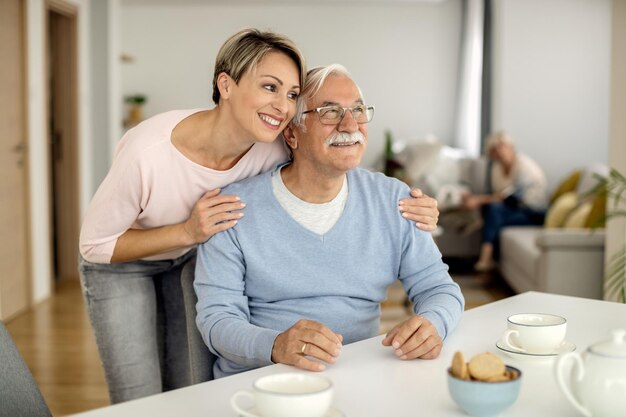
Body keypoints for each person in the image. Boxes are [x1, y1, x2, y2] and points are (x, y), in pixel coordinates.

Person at [78, 29, 440, 403]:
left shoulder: (269, 146)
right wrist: (188, 231)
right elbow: (95, 244)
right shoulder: (148, 152)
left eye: (292, 95)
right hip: (121, 256)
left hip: (193, 252)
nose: (282, 106)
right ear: (226, 84)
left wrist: (419, 209)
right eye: (270, 87)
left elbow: (323, 165)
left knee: (181, 386)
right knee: (138, 394)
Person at [194, 64, 464, 379]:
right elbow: (216, 321)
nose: (350, 124)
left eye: (359, 110)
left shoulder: (394, 200)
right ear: (292, 133)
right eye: (329, 112)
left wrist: (435, 323)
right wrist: (276, 345)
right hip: (260, 383)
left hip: (357, 379)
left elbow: (439, 288)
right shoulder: (232, 207)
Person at [461, 131, 548, 271]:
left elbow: (512, 197)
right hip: (514, 210)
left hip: (533, 213)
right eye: (496, 148)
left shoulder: (525, 166)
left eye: (503, 146)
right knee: (491, 209)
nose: (500, 151)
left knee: (493, 209)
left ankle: (486, 257)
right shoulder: (496, 167)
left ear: (511, 147)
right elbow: (497, 194)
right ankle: (487, 258)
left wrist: (478, 200)